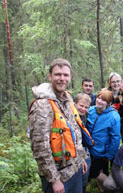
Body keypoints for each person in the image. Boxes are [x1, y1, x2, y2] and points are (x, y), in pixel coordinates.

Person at [28, 58, 89, 193]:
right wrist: (54, 179)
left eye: (65, 75)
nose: (62, 78)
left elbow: (74, 132)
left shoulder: (67, 100)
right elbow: (40, 147)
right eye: (58, 74)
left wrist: (81, 158)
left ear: (70, 77)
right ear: (50, 76)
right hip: (58, 176)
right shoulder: (42, 105)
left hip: (74, 169)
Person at [86, 89, 121, 192]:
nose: (100, 101)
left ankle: (115, 188)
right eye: (99, 98)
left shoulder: (114, 116)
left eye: (103, 100)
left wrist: (110, 155)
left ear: (109, 103)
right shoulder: (90, 110)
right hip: (89, 149)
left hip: (103, 152)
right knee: (100, 172)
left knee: (94, 172)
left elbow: (116, 138)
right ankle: (103, 189)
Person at [74, 93, 93, 193]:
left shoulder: (84, 117)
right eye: (81, 106)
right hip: (75, 154)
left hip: (85, 151)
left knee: (84, 180)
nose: (83, 109)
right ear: (75, 104)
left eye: (86, 107)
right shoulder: (70, 117)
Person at [106, 72, 123, 142]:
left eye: (118, 81)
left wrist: (117, 112)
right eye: (113, 82)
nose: (116, 84)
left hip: (120, 122)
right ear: (110, 83)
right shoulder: (105, 94)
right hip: (107, 122)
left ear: (121, 82)